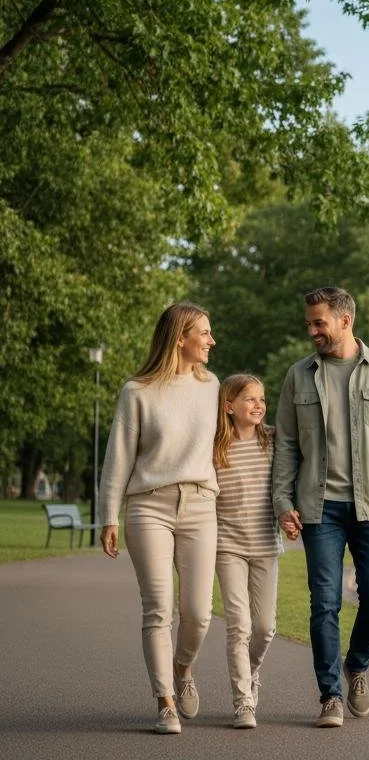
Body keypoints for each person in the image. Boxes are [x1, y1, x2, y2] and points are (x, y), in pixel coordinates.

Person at [272, 287, 369, 729]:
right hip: (319, 509)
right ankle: (330, 695)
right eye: (309, 323)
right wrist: (283, 501)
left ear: (344, 320)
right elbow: (285, 446)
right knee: (325, 603)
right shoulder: (298, 376)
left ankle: (356, 666)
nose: (312, 331)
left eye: (319, 322)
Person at [98, 301, 219, 735]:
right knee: (158, 609)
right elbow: (118, 458)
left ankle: (182, 668)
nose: (211, 341)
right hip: (149, 506)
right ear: (180, 336)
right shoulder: (138, 391)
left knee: (199, 612)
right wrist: (108, 515)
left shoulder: (211, 386)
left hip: (202, 505)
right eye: (204, 333)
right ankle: (165, 703)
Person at [213, 374, 282, 730]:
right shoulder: (215, 448)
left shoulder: (272, 441)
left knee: (266, 627)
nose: (259, 405)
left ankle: (251, 672)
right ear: (229, 406)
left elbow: (287, 484)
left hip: (265, 546)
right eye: (250, 399)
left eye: (262, 399)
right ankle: (243, 702)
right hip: (228, 547)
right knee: (239, 626)